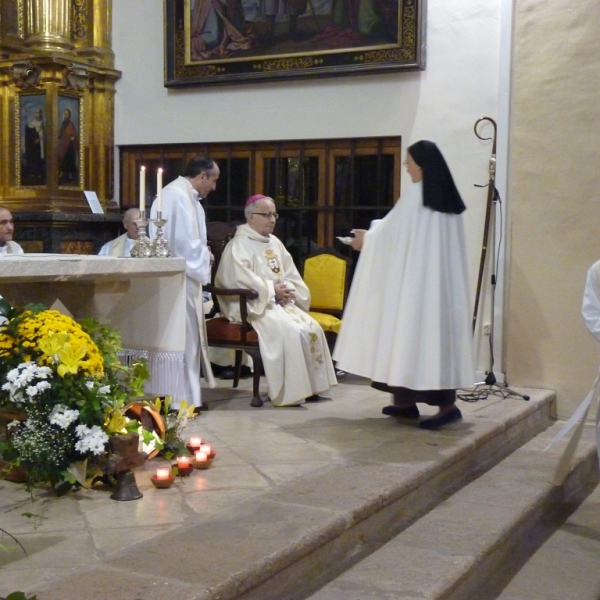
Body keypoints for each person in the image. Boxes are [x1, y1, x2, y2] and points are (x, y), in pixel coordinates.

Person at [333, 140, 475, 429]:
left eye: (408, 162)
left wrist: (366, 239)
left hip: (416, 289)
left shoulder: (418, 196)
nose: (406, 167)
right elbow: (399, 233)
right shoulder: (445, 200)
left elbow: (390, 235)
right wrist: (373, 235)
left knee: (411, 340)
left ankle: (446, 408)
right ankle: (405, 402)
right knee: (423, 341)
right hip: (435, 290)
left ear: (420, 166)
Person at [215, 194, 337, 406]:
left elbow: (290, 273)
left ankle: (310, 388)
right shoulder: (239, 244)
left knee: (311, 327)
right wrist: (272, 290)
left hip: (277, 303)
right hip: (252, 306)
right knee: (291, 331)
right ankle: (289, 392)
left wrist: (288, 289)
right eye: (266, 215)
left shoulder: (275, 243)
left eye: (274, 215)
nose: (272, 220)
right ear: (251, 217)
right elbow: (238, 278)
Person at [149, 157, 220, 411]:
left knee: (189, 342)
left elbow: (191, 242)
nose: (214, 187)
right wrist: (204, 257)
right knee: (180, 340)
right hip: (177, 280)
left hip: (186, 279)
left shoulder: (189, 198)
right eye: (213, 180)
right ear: (202, 176)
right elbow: (179, 245)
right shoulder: (175, 196)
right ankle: (177, 402)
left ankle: (188, 399)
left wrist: (204, 253)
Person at [23, 108, 45, 184]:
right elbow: (29, 134)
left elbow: (43, 134)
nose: (37, 114)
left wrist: (40, 139)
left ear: (41, 114)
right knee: (32, 158)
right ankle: (32, 173)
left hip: (39, 145)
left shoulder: (42, 123)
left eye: (39, 113)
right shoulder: (31, 123)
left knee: (38, 159)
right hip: (32, 146)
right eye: (36, 113)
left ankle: (38, 173)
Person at [58, 108, 78, 184]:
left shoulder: (70, 123)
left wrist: (72, 136)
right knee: (63, 159)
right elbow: (60, 133)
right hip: (63, 144)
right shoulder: (63, 123)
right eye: (65, 114)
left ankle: (70, 175)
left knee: (70, 160)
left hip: (69, 145)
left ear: (69, 115)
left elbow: (73, 133)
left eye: (67, 114)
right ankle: (62, 173)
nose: (66, 115)